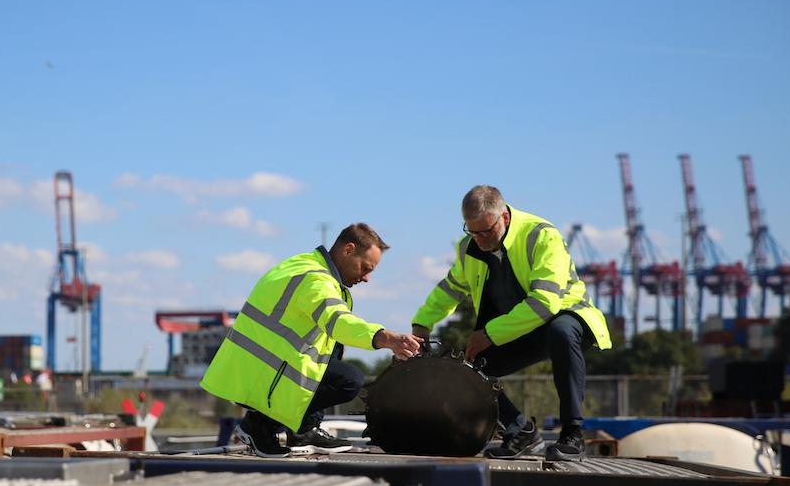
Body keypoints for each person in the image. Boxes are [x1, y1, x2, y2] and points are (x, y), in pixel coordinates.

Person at [411, 186, 611, 461]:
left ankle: (573, 435)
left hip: (564, 316)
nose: (479, 239)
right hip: (518, 328)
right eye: (472, 231)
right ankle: (521, 432)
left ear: (504, 217)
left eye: (486, 231)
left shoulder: (541, 235)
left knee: (561, 332)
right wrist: (422, 323)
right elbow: (451, 288)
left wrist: (489, 334)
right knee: (467, 371)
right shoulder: (469, 248)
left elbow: (545, 303)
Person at [202, 223, 422, 457]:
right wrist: (384, 337)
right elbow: (337, 321)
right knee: (349, 380)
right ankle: (258, 425)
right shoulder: (315, 280)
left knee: (332, 350)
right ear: (348, 250)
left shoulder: (304, 264)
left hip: (261, 368)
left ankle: (302, 431)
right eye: (365, 267)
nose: (367, 278)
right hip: (264, 373)